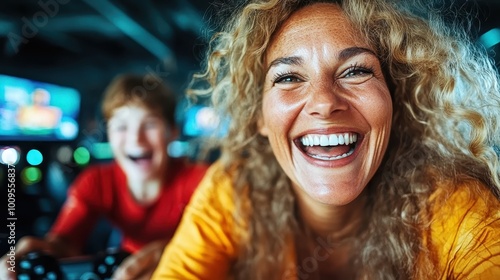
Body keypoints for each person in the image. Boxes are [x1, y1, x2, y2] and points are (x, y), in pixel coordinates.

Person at [151, 0, 500, 279]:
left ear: (396, 98)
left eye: (357, 71)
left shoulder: (457, 208)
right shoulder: (233, 192)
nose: (323, 102)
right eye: (288, 77)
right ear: (258, 115)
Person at [0, 74, 209, 280]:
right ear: (109, 133)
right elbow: (65, 241)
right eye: (121, 127)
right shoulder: (96, 181)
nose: (135, 139)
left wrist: (174, 251)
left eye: (150, 124)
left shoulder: (204, 181)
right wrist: (44, 251)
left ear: (172, 132)